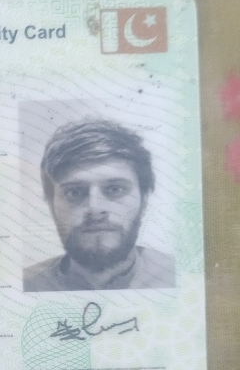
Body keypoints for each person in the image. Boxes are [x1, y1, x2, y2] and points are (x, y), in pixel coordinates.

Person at [23, 118, 175, 291]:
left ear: (144, 200)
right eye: (74, 192)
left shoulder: (184, 277)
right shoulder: (24, 285)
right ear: (51, 205)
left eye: (115, 189)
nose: (95, 208)